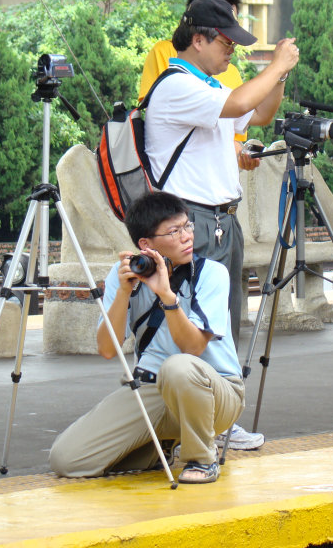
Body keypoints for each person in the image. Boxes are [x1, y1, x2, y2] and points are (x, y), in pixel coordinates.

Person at [142, 0, 298, 450]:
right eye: (225, 40)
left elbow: (260, 113)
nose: (232, 49)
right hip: (189, 220)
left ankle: (218, 419)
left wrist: (280, 74)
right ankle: (200, 424)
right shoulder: (175, 86)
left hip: (219, 221)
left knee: (222, 324)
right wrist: (274, 65)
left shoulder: (209, 88)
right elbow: (239, 104)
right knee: (197, 325)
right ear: (197, 39)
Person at [49, 191, 244, 483]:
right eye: (174, 231)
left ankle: (202, 459)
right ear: (145, 244)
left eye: (187, 226)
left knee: (178, 367)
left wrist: (166, 294)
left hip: (214, 393)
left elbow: (192, 347)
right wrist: (125, 292)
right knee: (67, 459)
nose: (187, 236)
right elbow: (106, 349)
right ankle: (159, 448)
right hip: (154, 391)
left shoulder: (211, 273)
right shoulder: (123, 274)